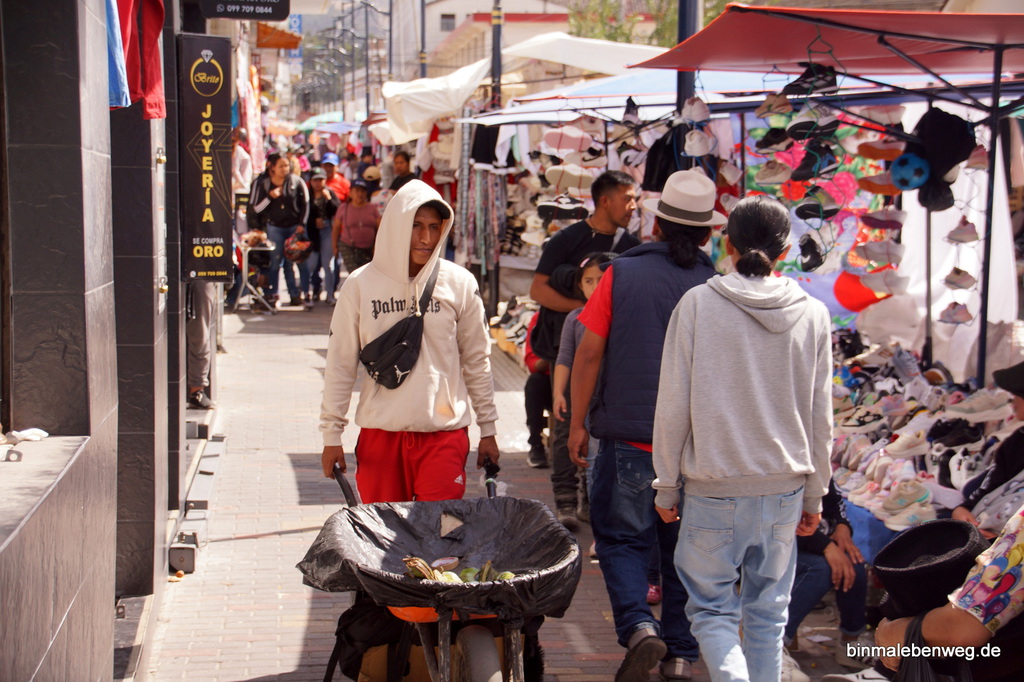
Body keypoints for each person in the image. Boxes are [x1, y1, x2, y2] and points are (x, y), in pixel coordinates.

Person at [652, 194, 832, 682]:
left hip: (714, 487)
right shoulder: (813, 313)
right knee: (768, 618)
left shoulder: (697, 304)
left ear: (726, 243)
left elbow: (673, 404)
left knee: (712, 612)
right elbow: (821, 417)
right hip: (784, 489)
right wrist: (815, 494)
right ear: (786, 250)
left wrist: (666, 485)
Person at [568, 170, 723, 682]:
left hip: (629, 438)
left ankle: (638, 627)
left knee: (621, 540)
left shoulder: (622, 274)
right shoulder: (717, 286)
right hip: (695, 446)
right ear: (707, 233)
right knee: (686, 552)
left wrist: (577, 424)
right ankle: (680, 656)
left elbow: (589, 353)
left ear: (656, 224)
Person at [319, 179, 500, 503]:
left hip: (444, 435)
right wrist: (332, 434)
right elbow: (340, 363)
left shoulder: (460, 282)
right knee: (385, 532)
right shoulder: (360, 285)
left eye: (434, 227)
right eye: (416, 226)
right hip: (381, 437)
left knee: (443, 531)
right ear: (396, 225)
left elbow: (477, 359)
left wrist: (488, 428)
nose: (426, 238)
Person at [530, 170, 641, 528]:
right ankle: (565, 501)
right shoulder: (567, 239)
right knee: (565, 424)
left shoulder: (633, 246)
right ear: (605, 201)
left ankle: (592, 500)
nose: (634, 205)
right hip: (567, 346)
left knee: (602, 429)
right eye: (628, 198)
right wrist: (588, 312)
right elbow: (538, 289)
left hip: (615, 359)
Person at [551, 252, 617, 518]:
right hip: (578, 397)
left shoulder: (620, 317)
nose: (595, 286)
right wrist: (558, 393)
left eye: (601, 280)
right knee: (567, 443)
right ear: (580, 285)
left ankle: (590, 503)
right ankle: (567, 500)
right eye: (588, 281)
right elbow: (564, 358)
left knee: (598, 454)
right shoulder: (575, 318)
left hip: (608, 401)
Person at [785, 480, 871, 680]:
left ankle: (850, 642)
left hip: (811, 541)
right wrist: (825, 546)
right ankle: (773, 645)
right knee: (820, 569)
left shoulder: (820, 465)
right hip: (773, 544)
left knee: (853, 564)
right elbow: (779, 517)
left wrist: (842, 526)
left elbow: (834, 500)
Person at [951, 359, 1024, 539]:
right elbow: (990, 487)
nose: (1012, 401)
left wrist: (1003, 540)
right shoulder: (1018, 441)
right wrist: (963, 509)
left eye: (1017, 395)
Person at [248, 152, 310, 307]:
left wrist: (301, 224)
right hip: (274, 228)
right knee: (275, 262)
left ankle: (295, 295)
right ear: (273, 168)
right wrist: (270, 197)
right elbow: (256, 208)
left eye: (287, 165)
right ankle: (273, 294)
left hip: (293, 228)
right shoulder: (264, 183)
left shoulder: (296, 181)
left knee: (291, 263)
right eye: (281, 166)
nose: (284, 169)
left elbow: (305, 204)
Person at [305, 168, 342, 305]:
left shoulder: (329, 193)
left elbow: (338, 211)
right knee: (311, 265)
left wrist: (329, 199)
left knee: (328, 264)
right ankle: (309, 293)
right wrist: (313, 221)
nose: (318, 183)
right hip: (312, 233)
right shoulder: (307, 195)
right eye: (315, 180)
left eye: (320, 180)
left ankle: (330, 295)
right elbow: (303, 214)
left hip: (327, 230)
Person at [333, 178, 381, 275]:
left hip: (368, 249)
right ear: (350, 193)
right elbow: (336, 228)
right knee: (355, 275)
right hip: (348, 247)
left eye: (363, 191)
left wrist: (377, 247)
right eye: (357, 190)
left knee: (367, 276)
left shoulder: (372, 208)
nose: (360, 194)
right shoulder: (343, 208)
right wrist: (334, 247)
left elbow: (380, 228)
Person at [231, 127, 253, 236]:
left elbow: (244, 180)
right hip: (229, 192)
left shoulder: (242, 155)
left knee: (239, 217)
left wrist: (239, 181)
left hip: (238, 192)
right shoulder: (228, 151)